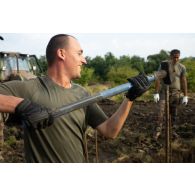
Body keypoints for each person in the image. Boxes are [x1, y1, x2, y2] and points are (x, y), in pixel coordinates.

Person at [0, 34, 150, 163]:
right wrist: (21, 105)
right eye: (79, 53)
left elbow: (110, 131)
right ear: (62, 54)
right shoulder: (30, 88)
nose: (84, 60)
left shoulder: (82, 94)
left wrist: (130, 98)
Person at [153, 49, 188, 139]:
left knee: (174, 113)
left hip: (176, 93)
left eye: (177, 57)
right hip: (164, 92)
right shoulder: (164, 65)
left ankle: (171, 131)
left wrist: (185, 95)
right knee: (160, 112)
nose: (176, 59)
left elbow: (183, 81)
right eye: (174, 57)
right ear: (170, 56)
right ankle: (158, 131)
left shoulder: (181, 67)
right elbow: (158, 78)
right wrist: (156, 93)